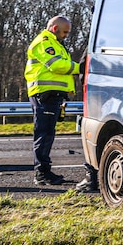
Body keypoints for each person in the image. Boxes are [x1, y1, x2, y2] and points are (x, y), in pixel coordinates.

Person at [25, 16, 83, 186]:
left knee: (47, 133)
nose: (66, 35)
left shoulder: (56, 44)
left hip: (51, 95)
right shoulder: (44, 42)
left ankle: (43, 171)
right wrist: (81, 67)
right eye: (65, 31)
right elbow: (57, 66)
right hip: (44, 94)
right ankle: (42, 173)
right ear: (54, 28)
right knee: (44, 134)